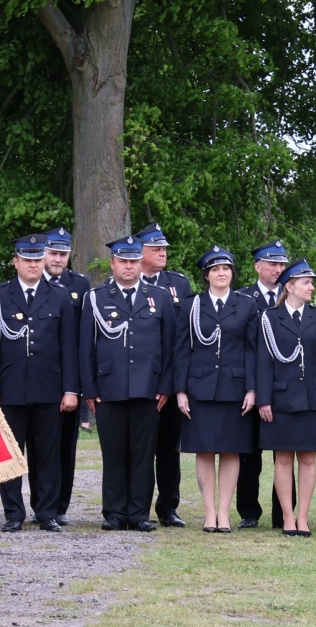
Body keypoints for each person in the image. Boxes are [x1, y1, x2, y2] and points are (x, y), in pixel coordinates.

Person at [0, 234, 80, 532]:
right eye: (27, 260)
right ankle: (13, 513)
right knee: (11, 454)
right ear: (16, 262)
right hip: (10, 389)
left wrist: (71, 389)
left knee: (47, 454)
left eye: (37, 259)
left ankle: (46, 512)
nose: (33, 265)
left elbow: (69, 347)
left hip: (49, 388)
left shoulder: (59, 295)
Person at [79, 235, 175, 531]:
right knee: (114, 453)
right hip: (109, 388)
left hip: (148, 389)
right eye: (123, 261)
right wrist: (89, 388)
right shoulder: (96, 297)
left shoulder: (159, 297)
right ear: (112, 264)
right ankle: (115, 513)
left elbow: (170, 346)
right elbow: (86, 347)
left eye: (133, 261)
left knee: (144, 455)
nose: (129, 266)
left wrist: (166, 386)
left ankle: (139, 514)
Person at [174, 245, 259, 533]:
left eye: (226, 269)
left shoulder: (246, 305)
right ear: (206, 275)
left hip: (235, 389)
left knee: (231, 451)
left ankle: (224, 512)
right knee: (205, 450)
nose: (221, 273)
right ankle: (209, 513)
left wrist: (252, 389)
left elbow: (252, 351)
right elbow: (181, 349)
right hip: (199, 388)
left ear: (232, 273)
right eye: (215, 269)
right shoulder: (191, 305)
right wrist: (180, 390)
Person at [255, 259, 316, 536]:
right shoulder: (269, 318)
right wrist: (264, 400)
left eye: (312, 283)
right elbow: (263, 361)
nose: (311, 287)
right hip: (281, 399)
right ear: (289, 287)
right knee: (282, 459)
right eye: (306, 283)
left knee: (309, 459)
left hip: (312, 398)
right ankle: (287, 517)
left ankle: (303, 518)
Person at [134, 222, 193, 528]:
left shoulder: (178, 284)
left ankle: (168, 507)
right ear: (139, 251)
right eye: (155, 248)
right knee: (139, 449)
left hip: (169, 380)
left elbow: (182, 339)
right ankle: (136, 507)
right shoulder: (125, 282)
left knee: (169, 450)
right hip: (137, 380)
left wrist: (172, 385)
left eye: (164, 248)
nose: (162, 253)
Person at [41, 226, 91, 525]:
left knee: (64, 446)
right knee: (38, 447)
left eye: (63, 254)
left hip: (68, 379)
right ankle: (38, 503)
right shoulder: (28, 281)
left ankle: (59, 506)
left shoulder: (80, 285)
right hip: (37, 377)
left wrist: (79, 386)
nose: (58, 259)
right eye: (53, 253)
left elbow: (84, 339)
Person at [238, 240, 289, 528]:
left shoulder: (292, 295)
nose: (278, 269)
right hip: (251, 385)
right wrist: (251, 387)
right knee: (249, 454)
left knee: (285, 453)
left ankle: (283, 514)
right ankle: (249, 512)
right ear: (258, 266)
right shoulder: (244, 298)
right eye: (272, 264)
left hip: (284, 387)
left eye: (281, 264)